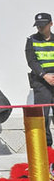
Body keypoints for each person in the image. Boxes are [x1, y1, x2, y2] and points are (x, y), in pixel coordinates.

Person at [27, 12, 54, 145]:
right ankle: (47, 151)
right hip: (41, 83)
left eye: (43, 26)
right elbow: (31, 61)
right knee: (42, 118)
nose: (40, 28)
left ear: (51, 24)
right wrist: (44, 75)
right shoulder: (31, 40)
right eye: (38, 26)